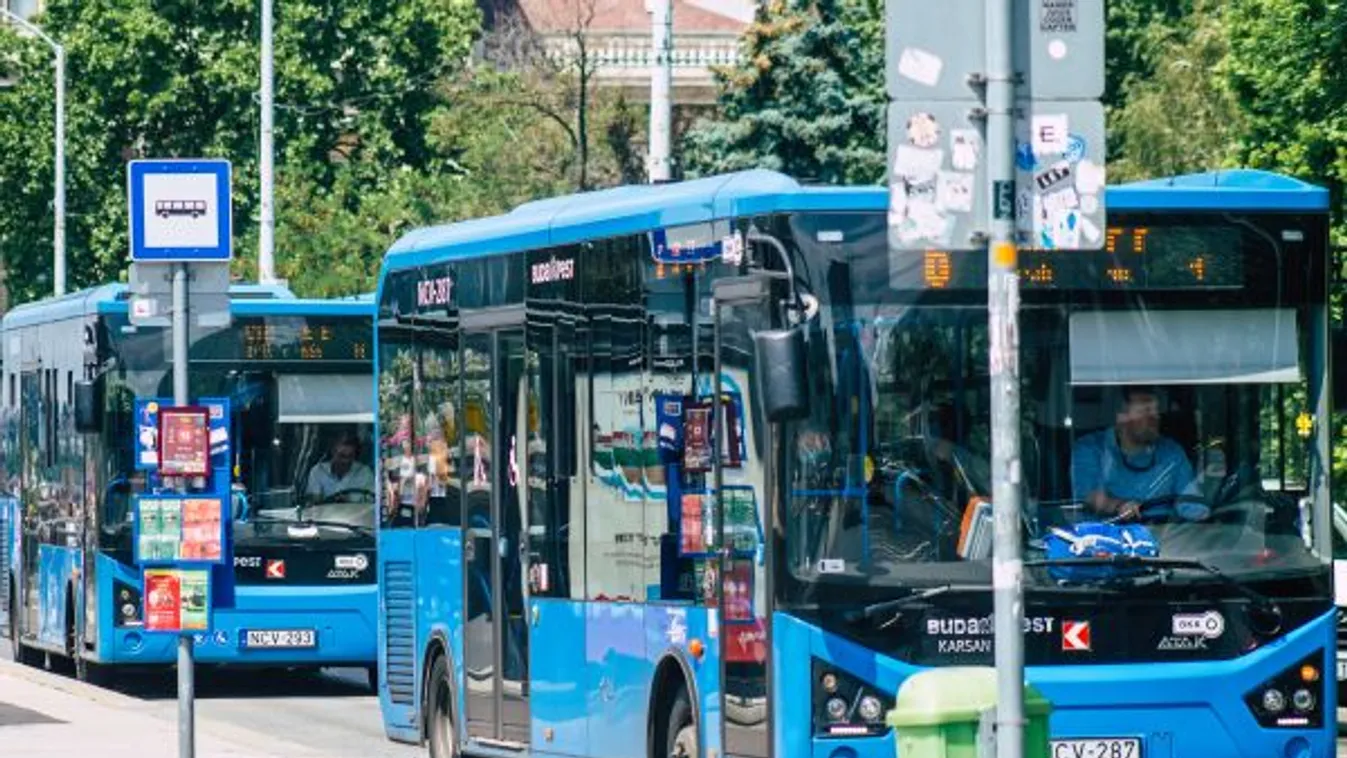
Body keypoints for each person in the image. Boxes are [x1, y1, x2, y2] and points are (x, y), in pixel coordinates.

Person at [1070, 386, 1209, 522]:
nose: (1155, 417)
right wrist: (1120, 506)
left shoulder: (1171, 451)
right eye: (1146, 410)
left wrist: (1205, 515)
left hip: (1166, 534)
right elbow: (1089, 497)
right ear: (1121, 416)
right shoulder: (1091, 448)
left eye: (1156, 411)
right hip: (1107, 536)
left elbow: (1189, 499)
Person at [305, 433, 376, 502]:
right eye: (342, 456)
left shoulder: (365, 472)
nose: (346, 461)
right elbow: (314, 503)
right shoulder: (318, 471)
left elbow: (372, 502)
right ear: (333, 452)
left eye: (350, 456)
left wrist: (350, 500)